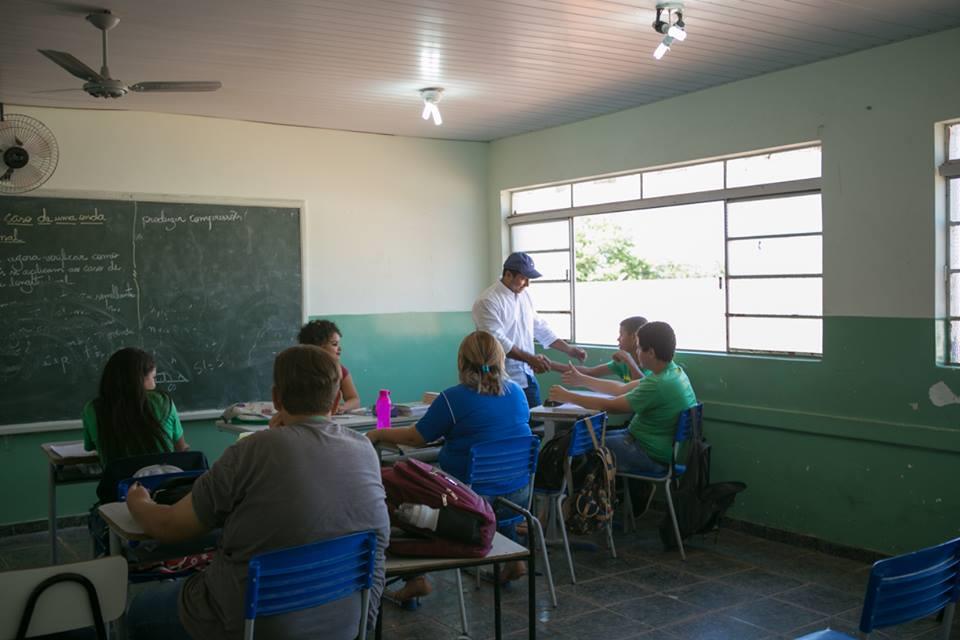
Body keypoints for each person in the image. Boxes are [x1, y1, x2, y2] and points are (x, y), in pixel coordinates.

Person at [125, 345, 390, 640]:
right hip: (348, 622)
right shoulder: (364, 449)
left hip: (251, 624)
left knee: (138, 612)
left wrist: (138, 502)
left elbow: (169, 526)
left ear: (276, 398)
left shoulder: (251, 451)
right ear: (337, 398)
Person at [366, 330, 531, 602]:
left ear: (461, 362)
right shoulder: (517, 392)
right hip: (518, 495)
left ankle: (416, 578)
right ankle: (514, 561)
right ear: (500, 359)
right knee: (495, 479)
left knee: (403, 494)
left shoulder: (453, 398)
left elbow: (416, 438)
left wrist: (378, 433)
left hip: (468, 505)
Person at [548, 321, 697, 475]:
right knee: (579, 439)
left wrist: (569, 397)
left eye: (639, 348)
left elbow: (612, 406)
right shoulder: (673, 372)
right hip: (644, 443)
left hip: (648, 454)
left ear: (651, 352)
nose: (637, 352)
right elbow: (620, 389)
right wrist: (582, 380)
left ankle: (568, 490)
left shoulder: (659, 384)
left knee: (575, 448)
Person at [472, 251, 587, 409]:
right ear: (508, 275)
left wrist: (569, 349)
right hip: (499, 378)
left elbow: (540, 327)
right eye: (523, 278)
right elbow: (497, 342)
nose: (527, 284)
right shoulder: (488, 301)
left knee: (535, 419)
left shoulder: (525, 296)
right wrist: (531, 359)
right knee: (507, 420)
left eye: (529, 279)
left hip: (527, 376)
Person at [81, 347, 189, 466]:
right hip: (163, 477)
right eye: (153, 378)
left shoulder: (92, 409)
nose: (155, 384)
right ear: (139, 379)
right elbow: (181, 448)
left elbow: (91, 447)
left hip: (118, 478)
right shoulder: (162, 401)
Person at [553, 315, 648, 387]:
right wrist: (550, 364)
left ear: (634, 337)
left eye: (621, 335)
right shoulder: (622, 362)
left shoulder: (650, 362)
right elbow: (590, 372)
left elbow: (644, 388)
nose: (618, 339)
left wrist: (629, 362)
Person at [298, 319, 360, 413]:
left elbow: (354, 399)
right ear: (318, 347)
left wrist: (342, 407)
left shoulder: (340, 370)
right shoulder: (298, 370)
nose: (340, 348)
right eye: (334, 344)